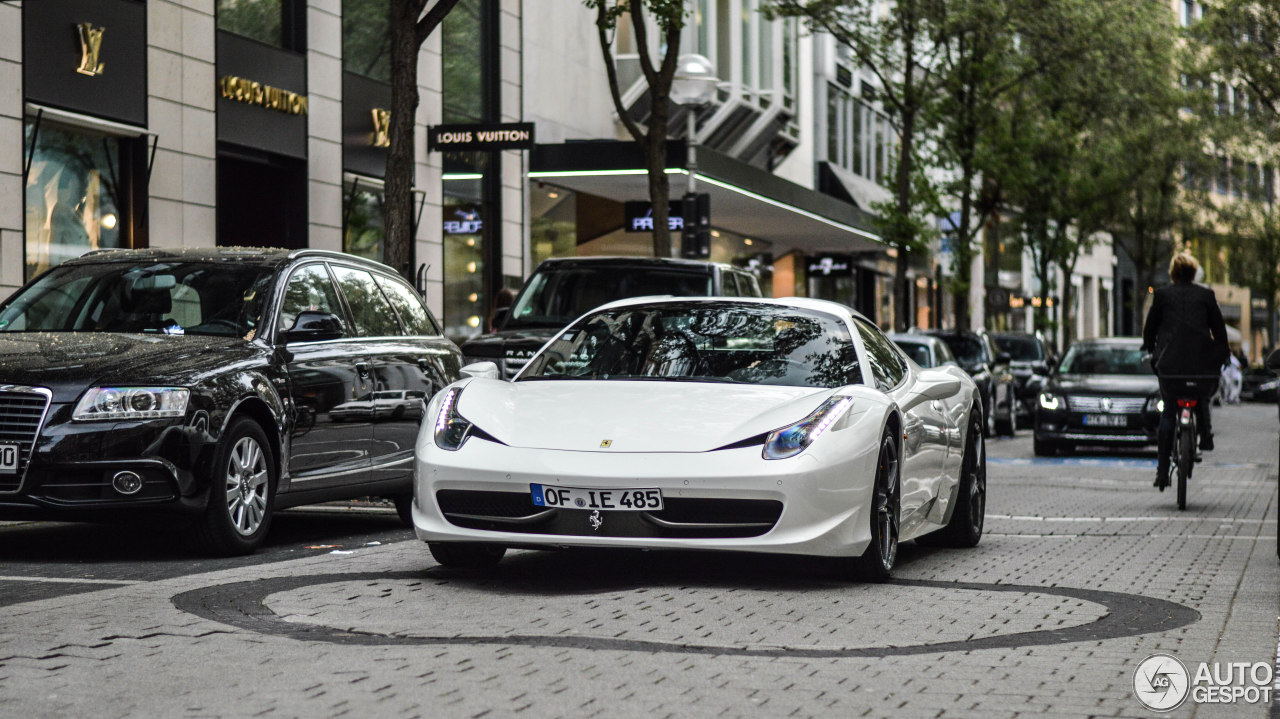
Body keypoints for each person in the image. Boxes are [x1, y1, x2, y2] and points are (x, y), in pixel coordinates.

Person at [1141, 252, 1229, 488]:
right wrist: (1224, 355)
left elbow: (1150, 329)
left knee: (1169, 411)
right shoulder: (1206, 295)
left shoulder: (1161, 296)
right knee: (1201, 394)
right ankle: (1206, 436)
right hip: (1201, 364)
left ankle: (1161, 471)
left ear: (1172, 273)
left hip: (1170, 365)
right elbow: (1219, 331)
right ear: (1193, 274)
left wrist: (1149, 348)